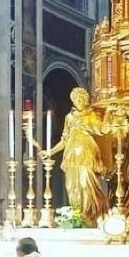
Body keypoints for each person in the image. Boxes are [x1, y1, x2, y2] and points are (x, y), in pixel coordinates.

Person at [44, 88, 110, 226]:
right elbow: (64, 140)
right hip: (71, 155)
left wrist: (108, 113)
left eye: (81, 98)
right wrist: (50, 152)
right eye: (76, 99)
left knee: (86, 184)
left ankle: (90, 215)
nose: (79, 101)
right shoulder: (70, 117)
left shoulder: (92, 115)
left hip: (87, 153)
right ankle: (77, 216)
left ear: (86, 100)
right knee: (71, 185)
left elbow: (102, 130)